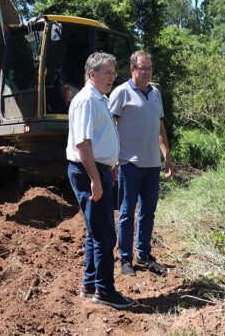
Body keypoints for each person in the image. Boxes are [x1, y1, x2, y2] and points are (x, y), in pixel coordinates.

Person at [66, 52, 135, 309]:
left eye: (113, 72)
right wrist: (96, 177)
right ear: (91, 74)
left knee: (96, 232)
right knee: (105, 235)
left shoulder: (99, 99)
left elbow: (98, 138)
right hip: (88, 172)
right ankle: (105, 291)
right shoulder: (86, 100)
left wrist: (110, 165)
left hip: (98, 169)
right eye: (107, 72)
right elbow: (82, 143)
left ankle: (91, 283)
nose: (112, 77)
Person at [108, 51, 174, 276]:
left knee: (149, 211)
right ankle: (126, 259)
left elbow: (160, 127)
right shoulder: (121, 93)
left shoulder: (155, 94)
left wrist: (166, 154)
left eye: (149, 68)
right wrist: (113, 158)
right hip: (129, 163)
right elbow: (110, 127)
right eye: (142, 68)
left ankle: (144, 254)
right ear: (133, 69)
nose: (146, 72)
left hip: (152, 163)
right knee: (127, 212)